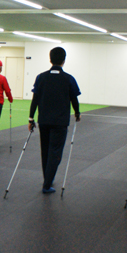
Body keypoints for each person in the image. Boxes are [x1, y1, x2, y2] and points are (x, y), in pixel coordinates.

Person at [28, 47, 81, 194]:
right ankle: (47, 184)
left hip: (43, 121)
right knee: (55, 152)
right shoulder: (69, 78)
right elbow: (74, 99)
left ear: (50, 59)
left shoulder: (41, 77)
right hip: (60, 122)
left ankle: (47, 179)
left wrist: (31, 118)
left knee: (45, 150)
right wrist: (77, 113)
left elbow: (35, 99)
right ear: (64, 60)